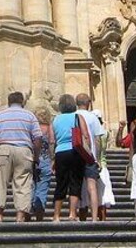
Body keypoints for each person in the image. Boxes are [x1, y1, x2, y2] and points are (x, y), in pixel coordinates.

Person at [0, 91, 42, 223]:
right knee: (23, 184)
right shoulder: (30, 115)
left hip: (4, 149)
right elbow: (38, 137)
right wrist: (36, 155)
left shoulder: (0, 115)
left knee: (0, 182)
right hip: (24, 150)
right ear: (22, 101)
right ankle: (19, 216)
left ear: (8, 101)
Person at [49, 93, 87, 221]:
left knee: (61, 183)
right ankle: (72, 213)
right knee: (75, 182)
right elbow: (85, 135)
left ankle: (56, 215)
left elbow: (52, 140)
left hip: (60, 152)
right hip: (76, 151)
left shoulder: (55, 120)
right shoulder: (78, 117)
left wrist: (53, 158)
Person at [75, 93, 106, 221]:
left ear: (77, 103)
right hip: (90, 156)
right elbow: (98, 139)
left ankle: (76, 215)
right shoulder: (93, 117)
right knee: (92, 187)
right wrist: (97, 158)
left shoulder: (74, 115)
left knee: (76, 186)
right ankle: (93, 217)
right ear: (88, 103)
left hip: (76, 155)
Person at [81, 109, 116, 221]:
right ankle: (102, 220)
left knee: (85, 195)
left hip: (92, 163)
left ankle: (83, 220)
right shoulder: (105, 133)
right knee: (102, 196)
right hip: (103, 166)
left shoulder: (94, 133)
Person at [31, 107, 53, 222]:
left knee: (30, 187)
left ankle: (27, 215)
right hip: (45, 160)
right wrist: (53, 158)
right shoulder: (49, 128)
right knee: (42, 188)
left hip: (32, 159)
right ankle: (39, 217)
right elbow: (51, 143)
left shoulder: (32, 128)